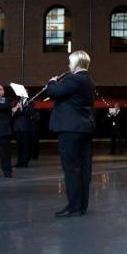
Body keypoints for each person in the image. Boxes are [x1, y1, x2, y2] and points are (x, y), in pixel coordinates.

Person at [47, 50, 95, 217]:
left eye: (70, 62)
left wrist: (52, 82)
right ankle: (81, 205)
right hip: (83, 129)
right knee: (83, 168)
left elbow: (53, 93)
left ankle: (74, 207)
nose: (68, 65)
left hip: (71, 130)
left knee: (72, 169)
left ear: (76, 63)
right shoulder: (88, 80)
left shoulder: (74, 79)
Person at [12, 98, 35, 168]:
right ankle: (19, 162)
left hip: (26, 127)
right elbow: (13, 113)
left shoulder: (30, 102)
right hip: (17, 127)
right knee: (19, 146)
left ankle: (25, 162)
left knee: (26, 146)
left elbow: (31, 112)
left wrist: (22, 109)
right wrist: (15, 109)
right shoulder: (16, 101)